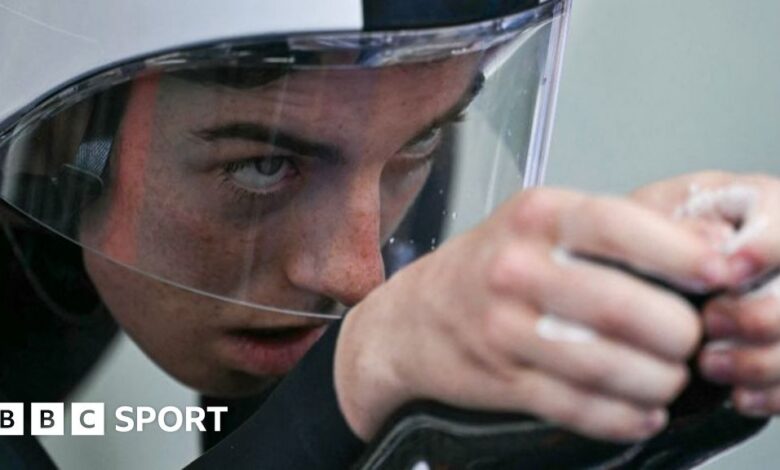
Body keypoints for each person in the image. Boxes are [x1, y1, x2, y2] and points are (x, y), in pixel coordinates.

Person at [1, 0, 780, 468]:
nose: (357, 272)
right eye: (265, 165)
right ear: (65, 137)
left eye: (420, 143)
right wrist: (358, 382)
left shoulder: (374, 100)